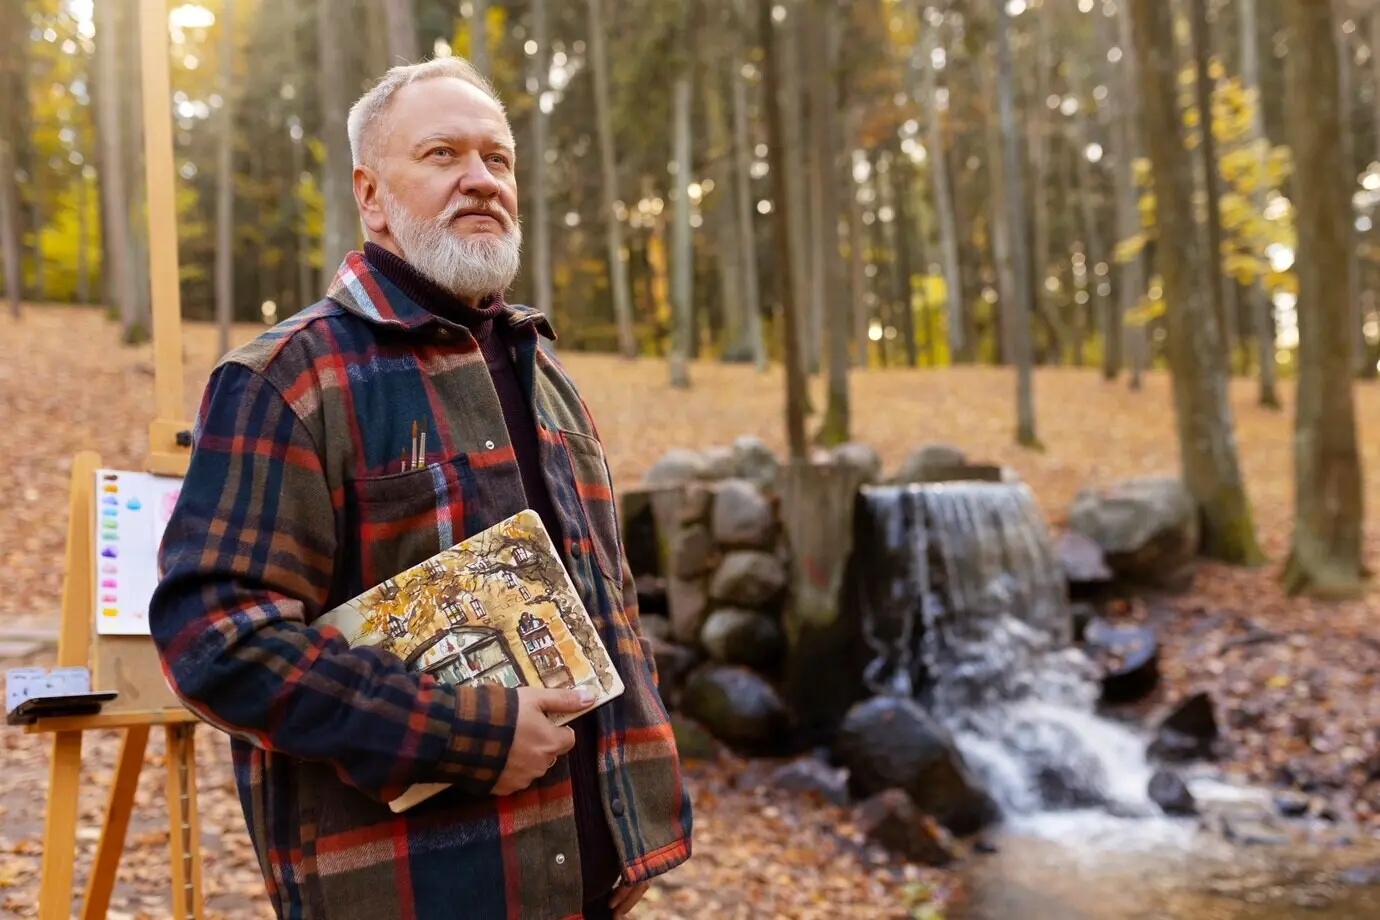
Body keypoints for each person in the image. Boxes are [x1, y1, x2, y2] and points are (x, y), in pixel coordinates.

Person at [149, 56, 692, 920]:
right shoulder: (288, 380)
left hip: (592, 888)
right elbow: (215, 642)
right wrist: (464, 736)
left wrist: (630, 834)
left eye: (499, 159)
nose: (481, 181)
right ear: (371, 196)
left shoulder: (542, 369)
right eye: (442, 155)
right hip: (417, 893)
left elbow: (608, 607)